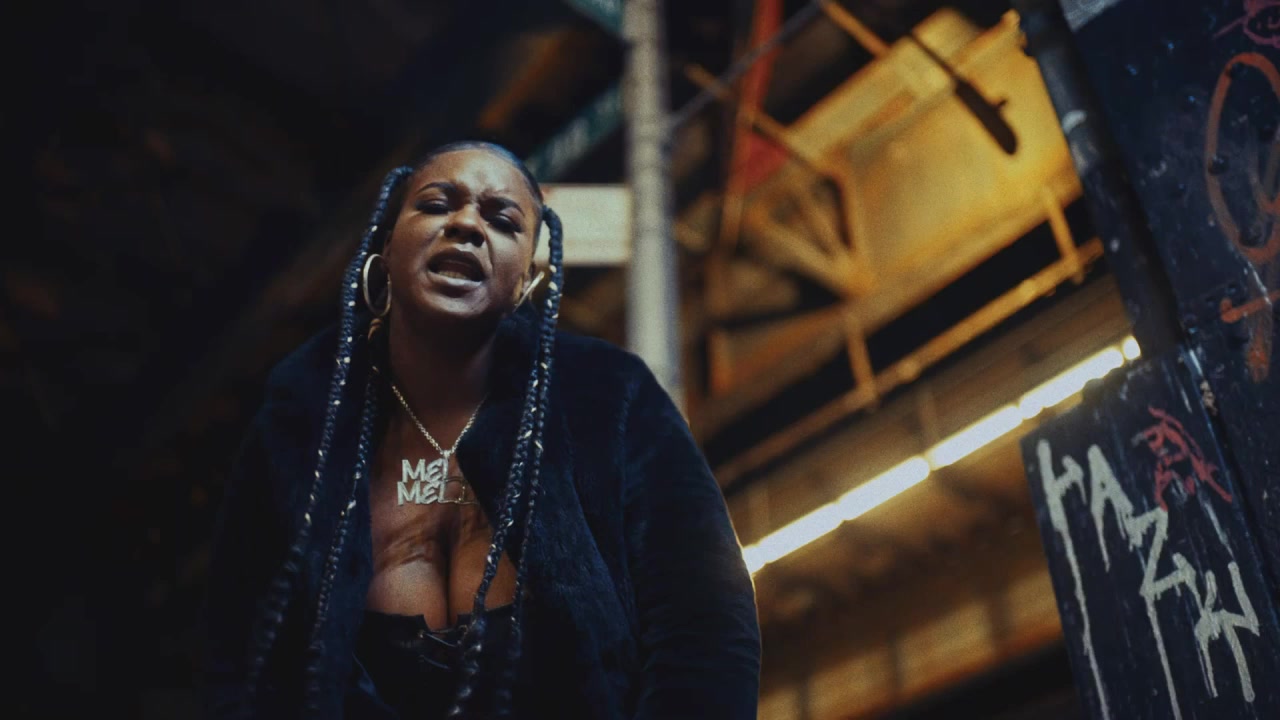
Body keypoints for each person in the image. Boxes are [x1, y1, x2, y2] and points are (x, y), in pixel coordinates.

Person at [200, 140, 761, 719]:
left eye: (503, 221)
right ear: (386, 247)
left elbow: (706, 628)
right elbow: (237, 651)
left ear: (525, 280)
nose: (467, 224)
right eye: (436, 204)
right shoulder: (301, 419)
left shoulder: (609, 395)